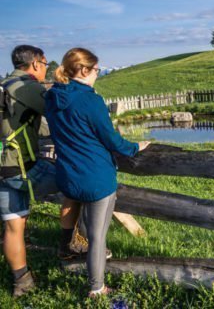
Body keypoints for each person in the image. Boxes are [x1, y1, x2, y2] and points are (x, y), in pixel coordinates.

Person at [45, 47, 150, 297]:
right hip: (95, 177)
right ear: (83, 70)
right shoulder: (91, 101)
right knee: (97, 237)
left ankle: (69, 247)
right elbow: (112, 140)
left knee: (83, 220)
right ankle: (97, 288)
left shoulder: (52, 96)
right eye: (96, 70)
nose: (97, 74)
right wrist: (136, 146)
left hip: (68, 174)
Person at [0, 45, 57, 297]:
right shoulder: (28, 87)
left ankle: (21, 282)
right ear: (35, 63)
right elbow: (60, 114)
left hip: (2, 167)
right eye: (45, 64)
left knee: (13, 226)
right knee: (80, 185)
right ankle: (72, 243)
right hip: (24, 168)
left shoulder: (3, 85)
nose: (46, 69)